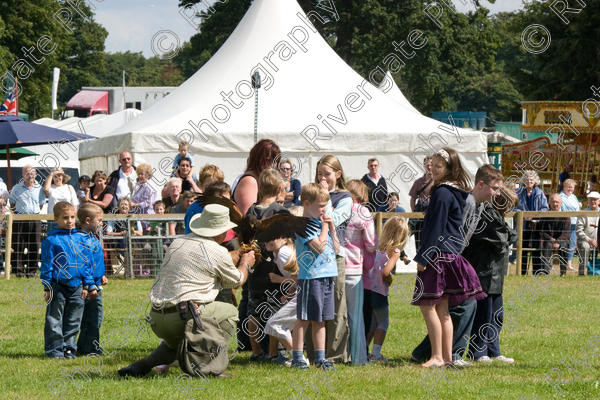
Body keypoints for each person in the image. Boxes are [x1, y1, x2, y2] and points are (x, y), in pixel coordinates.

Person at [118, 204, 256, 378]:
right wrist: (246, 262)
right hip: (182, 315)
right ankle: (208, 367)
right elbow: (236, 280)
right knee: (229, 312)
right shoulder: (217, 250)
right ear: (220, 232)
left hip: (157, 317)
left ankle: (143, 365)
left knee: (178, 342)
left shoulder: (178, 242)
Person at [411, 164, 504, 367]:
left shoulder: (478, 204)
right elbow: (451, 233)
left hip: (452, 259)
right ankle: (446, 355)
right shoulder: (466, 201)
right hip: (447, 258)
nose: (497, 194)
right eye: (495, 188)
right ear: (481, 184)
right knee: (457, 306)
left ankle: (444, 355)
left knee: (453, 307)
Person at [464, 186, 518, 364]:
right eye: (509, 205)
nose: (510, 209)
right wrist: (510, 235)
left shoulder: (497, 216)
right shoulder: (487, 214)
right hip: (484, 272)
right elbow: (504, 238)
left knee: (496, 315)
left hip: (495, 274)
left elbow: (509, 235)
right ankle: (478, 352)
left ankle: (494, 350)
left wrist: (510, 234)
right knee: (483, 315)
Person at [243, 169, 290, 362]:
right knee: (275, 312)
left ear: (260, 188)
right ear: (280, 189)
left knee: (253, 312)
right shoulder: (281, 212)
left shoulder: (251, 211)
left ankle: (256, 352)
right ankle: (273, 353)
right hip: (274, 268)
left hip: (255, 266)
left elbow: (244, 236)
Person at [291, 183, 339, 370]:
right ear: (306, 203)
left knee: (321, 319)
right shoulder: (304, 225)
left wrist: (332, 227)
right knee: (304, 318)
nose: (323, 210)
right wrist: (325, 227)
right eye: (320, 206)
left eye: (325, 206)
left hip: (327, 275)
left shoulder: (321, 223)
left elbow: (336, 248)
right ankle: (297, 357)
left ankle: (320, 357)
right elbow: (318, 247)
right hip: (311, 278)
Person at [40, 202, 97, 358]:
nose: (70, 221)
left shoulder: (81, 239)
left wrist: (88, 284)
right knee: (54, 319)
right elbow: (47, 265)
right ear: (56, 219)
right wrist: (47, 286)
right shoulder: (51, 241)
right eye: (65, 218)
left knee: (74, 319)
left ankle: (69, 348)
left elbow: (86, 264)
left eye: (72, 217)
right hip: (57, 286)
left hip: (78, 286)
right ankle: (54, 350)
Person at [311, 154, 351, 364]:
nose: (322, 178)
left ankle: (335, 353)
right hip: (312, 254)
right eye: (319, 174)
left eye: (327, 174)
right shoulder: (312, 193)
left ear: (338, 174)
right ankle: (314, 351)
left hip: (335, 256)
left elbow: (333, 218)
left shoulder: (344, 197)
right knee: (314, 304)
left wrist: (324, 198)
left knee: (336, 304)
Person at [364, 216, 409, 362]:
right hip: (380, 293)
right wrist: (389, 279)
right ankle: (376, 353)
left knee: (372, 322)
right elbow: (385, 272)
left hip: (368, 290)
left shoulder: (377, 246)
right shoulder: (395, 251)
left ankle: (364, 349)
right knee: (383, 322)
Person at [343, 180, 376, 365]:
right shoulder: (363, 212)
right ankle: (358, 358)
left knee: (338, 316)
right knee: (356, 317)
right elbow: (371, 244)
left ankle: (339, 354)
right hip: (355, 269)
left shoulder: (338, 208)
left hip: (337, 267)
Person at [76, 203, 108, 355]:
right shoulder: (83, 240)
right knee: (93, 318)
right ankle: (92, 348)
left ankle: (83, 346)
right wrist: (90, 285)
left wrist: (101, 274)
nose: (101, 223)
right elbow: (84, 264)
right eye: (99, 220)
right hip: (89, 286)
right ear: (88, 221)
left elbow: (95, 261)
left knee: (94, 317)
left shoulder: (91, 238)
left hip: (95, 283)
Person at [8, 165, 46, 277]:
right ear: (23, 175)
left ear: (36, 175)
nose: (30, 176)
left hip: (35, 218)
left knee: (34, 245)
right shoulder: (16, 188)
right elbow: (12, 204)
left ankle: (31, 271)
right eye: (27, 173)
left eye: (32, 173)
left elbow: (41, 204)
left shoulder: (40, 188)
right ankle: (18, 271)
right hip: (20, 218)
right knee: (18, 245)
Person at [232, 139, 281, 216]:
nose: (273, 165)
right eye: (269, 160)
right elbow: (247, 218)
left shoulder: (260, 179)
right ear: (258, 159)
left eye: (276, 161)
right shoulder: (250, 181)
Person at [515, 170, 549, 275]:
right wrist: (523, 214)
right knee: (523, 249)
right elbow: (513, 208)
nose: (529, 181)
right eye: (527, 179)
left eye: (531, 179)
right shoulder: (518, 193)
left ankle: (536, 273)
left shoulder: (540, 193)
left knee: (536, 250)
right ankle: (522, 272)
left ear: (535, 181)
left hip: (536, 225)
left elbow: (545, 208)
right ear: (523, 180)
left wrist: (534, 216)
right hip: (523, 226)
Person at [540, 194, 571, 276]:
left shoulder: (566, 216)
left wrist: (558, 241)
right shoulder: (545, 215)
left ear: (561, 203)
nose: (555, 204)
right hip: (549, 240)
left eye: (557, 202)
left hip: (562, 240)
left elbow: (566, 232)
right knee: (547, 245)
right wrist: (551, 239)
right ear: (549, 203)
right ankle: (545, 272)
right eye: (553, 202)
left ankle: (563, 272)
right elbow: (541, 231)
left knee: (564, 245)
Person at [408, 156, 434, 250]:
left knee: (431, 243)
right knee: (417, 242)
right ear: (424, 165)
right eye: (427, 165)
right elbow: (413, 198)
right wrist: (415, 212)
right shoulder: (419, 182)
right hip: (420, 215)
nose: (429, 167)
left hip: (433, 216)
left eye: (431, 164)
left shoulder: (438, 181)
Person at [576, 191, 600, 276]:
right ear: (588, 201)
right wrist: (589, 240)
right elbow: (579, 231)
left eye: (595, 200)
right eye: (591, 200)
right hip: (585, 240)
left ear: (599, 201)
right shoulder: (583, 213)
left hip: (598, 240)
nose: (593, 201)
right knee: (585, 247)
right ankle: (581, 273)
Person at [559, 179, 580, 271]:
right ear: (564, 187)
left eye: (572, 187)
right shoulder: (560, 196)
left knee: (572, 243)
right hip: (564, 223)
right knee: (562, 243)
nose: (570, 189)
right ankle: (555, 262)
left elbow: (578, 209)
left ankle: (569, 264)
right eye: (569, 187)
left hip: (574, 223)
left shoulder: (574, 197)